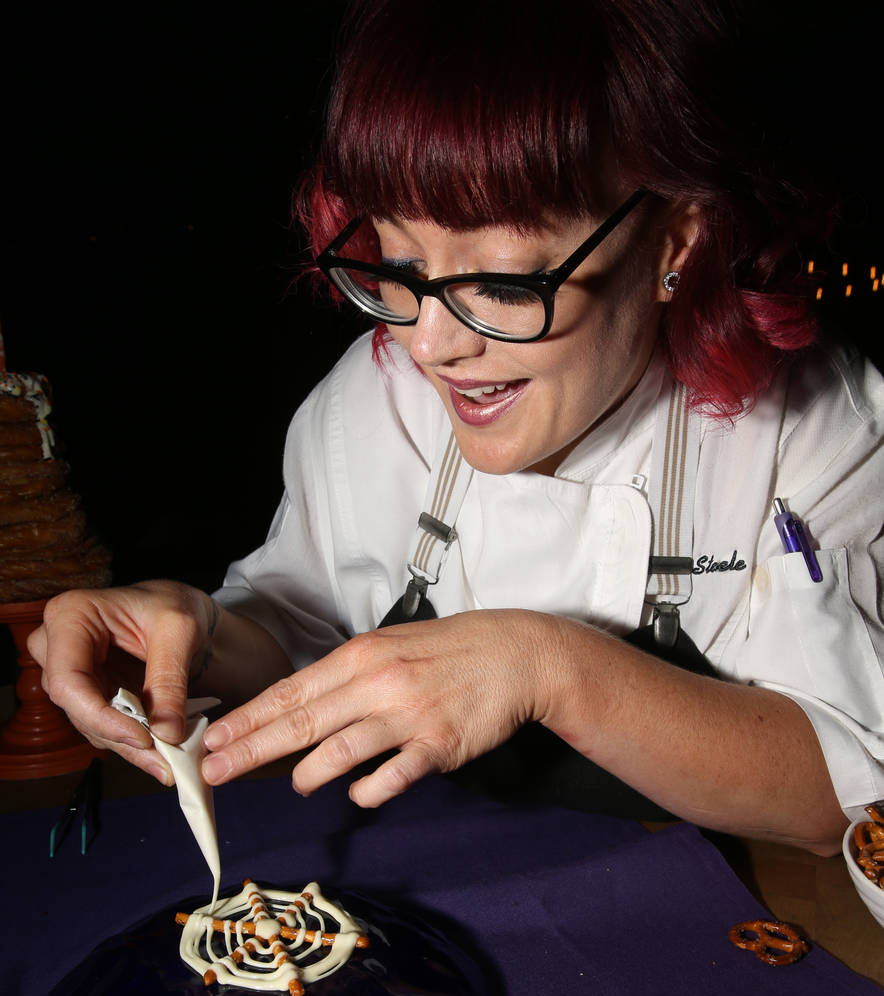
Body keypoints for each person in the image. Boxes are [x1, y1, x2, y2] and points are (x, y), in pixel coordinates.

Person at [28, 0, 882, 857]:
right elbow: (297, 638)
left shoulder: (812, 425)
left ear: (676, 245)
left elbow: (843, 806)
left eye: (506, 285)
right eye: (400, 269)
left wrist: (548, 667)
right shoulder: (372, 400)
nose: (430, 347)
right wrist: (194, 642)